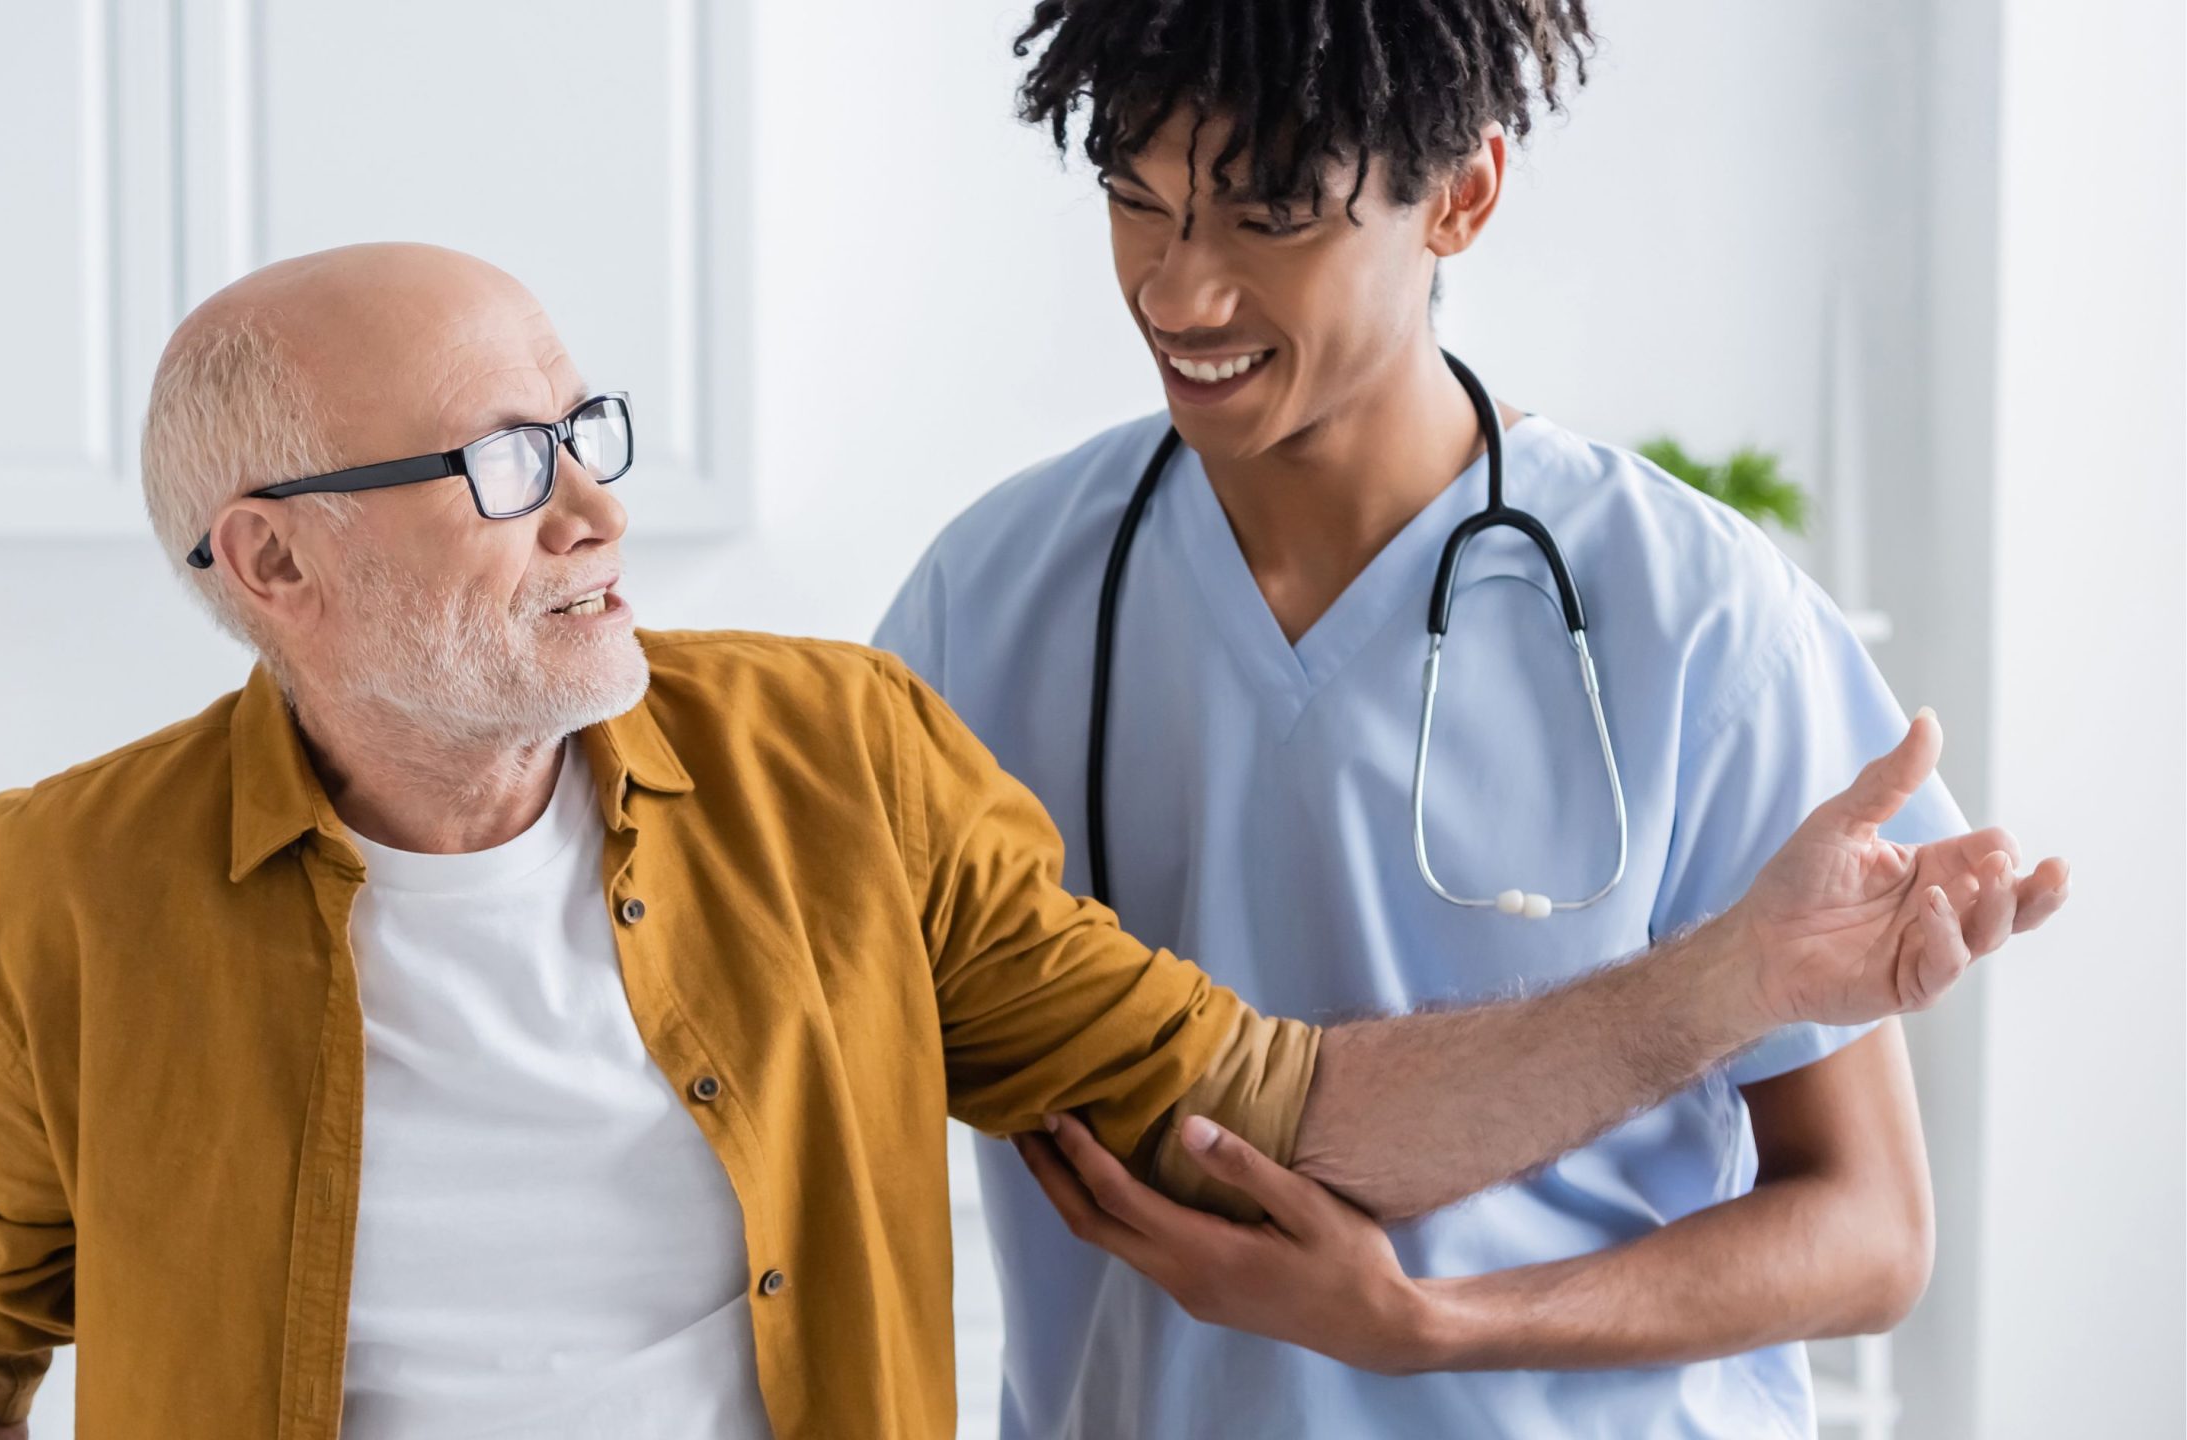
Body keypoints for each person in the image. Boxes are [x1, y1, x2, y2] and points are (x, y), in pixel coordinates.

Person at [0, 244, 2058, 1440]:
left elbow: (1275, 1102)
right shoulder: (57, 899)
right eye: (505, 463)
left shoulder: (834, 762)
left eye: (581, 427)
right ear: (270, 567)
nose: (601, 510)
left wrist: (1731, 985)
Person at [871, 3, 2072, 1437]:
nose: (1180, 292)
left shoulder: (1693, 612)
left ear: (1462, 196)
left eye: (1269, 219)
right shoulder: (989, 601)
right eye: (1138, 201)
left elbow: (1872, 1230)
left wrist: (1427, 1331)